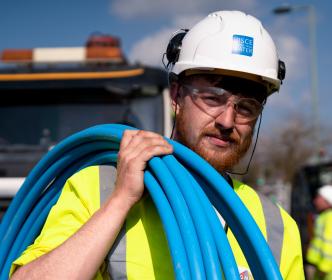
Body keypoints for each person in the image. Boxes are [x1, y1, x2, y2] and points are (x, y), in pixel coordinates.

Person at [10, 10, 304, 279]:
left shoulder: (276, 226)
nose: (227, 121)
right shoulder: (98, 188)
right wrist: (120, 201)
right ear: (176, 96)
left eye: (246, 107)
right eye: (212, 98)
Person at [306, 185, 332, 279]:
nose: (315, 201)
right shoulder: (324, 216)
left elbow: (329, 244)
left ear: (327, 201)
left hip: (324, 271)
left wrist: (324, 268)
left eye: (319, 198)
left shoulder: (329, 218)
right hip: (318, 266)